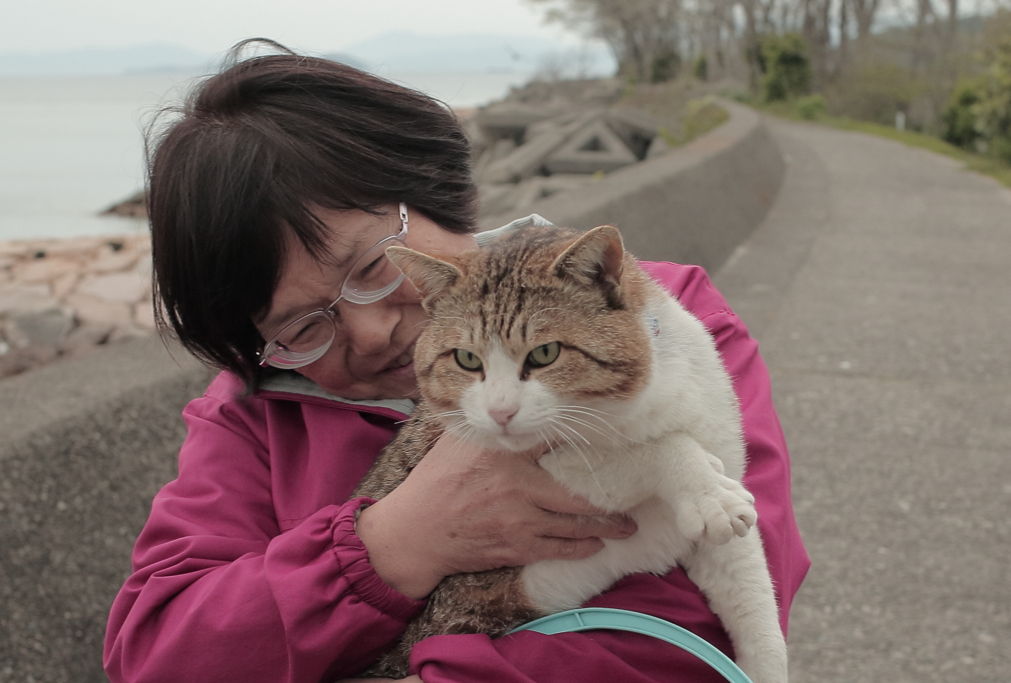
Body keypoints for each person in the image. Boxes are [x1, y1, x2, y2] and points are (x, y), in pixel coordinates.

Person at [103, 41, 809, 683]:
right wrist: (387, 544)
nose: (372, 330)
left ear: (433, 186)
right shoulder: (251, 417)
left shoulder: (670, 319)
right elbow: (158, 653)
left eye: (374, 267)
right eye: (299, 326)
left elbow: (696, 621)